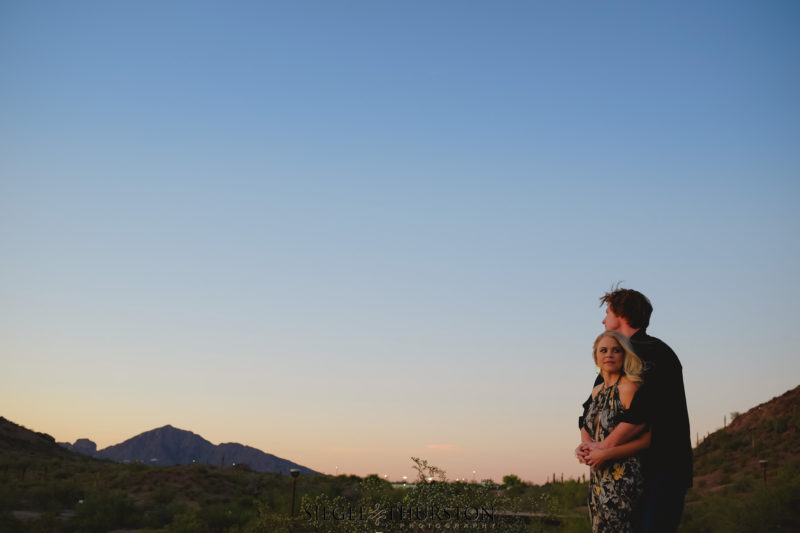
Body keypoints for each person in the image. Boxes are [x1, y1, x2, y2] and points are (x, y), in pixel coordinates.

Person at [577, 288, 692, 533]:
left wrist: (603, 447)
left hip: (663, 469)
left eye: (607, 312)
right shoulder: (614, 363)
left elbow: (641, 415)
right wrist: (587, 444)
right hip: (622, 475)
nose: (603, 320)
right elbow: (588, 413)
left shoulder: (653, 353)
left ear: (620, 313)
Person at [580, 330, 645, 533]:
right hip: (598, 478)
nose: (609, 355)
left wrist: (606, 453)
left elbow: (648, 438)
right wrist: (584, 447)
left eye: (616, 350)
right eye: (604, 350)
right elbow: (585, 423)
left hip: (623, 478)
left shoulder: (630, 387)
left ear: (625, 355)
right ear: (596, 357)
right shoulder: (596, 391)